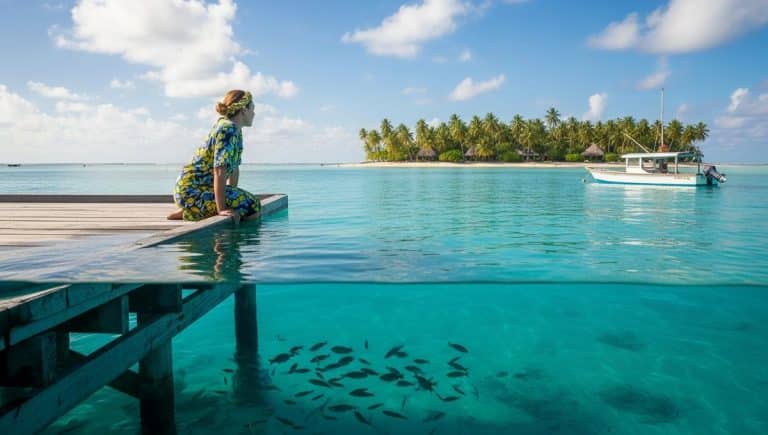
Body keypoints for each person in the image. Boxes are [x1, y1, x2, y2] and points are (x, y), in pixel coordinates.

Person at [167, 89, 261, 223]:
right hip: (191, 192)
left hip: (200, 190)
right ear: (243, 110)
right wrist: (221, 209)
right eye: (252, 109)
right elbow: (219, 171)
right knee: (253, 206)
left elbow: (234, 168)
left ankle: (191, 211)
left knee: (243, 202)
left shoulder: (235, 129)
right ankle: (193, 210)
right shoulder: (228, 129)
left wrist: (232, 200)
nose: (254, 113)